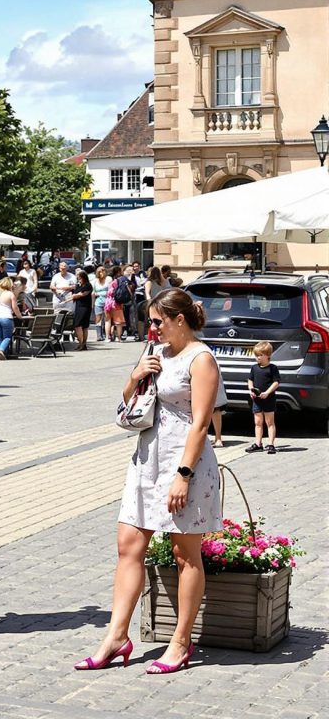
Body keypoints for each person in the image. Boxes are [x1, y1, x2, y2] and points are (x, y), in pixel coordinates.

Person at [77, 288, 220, 674]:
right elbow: (130, 402)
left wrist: (183, 476)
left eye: (157, 321)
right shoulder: (153, 353)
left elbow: (201, 424)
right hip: (146, 459)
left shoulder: (200, 359)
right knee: (128, 544)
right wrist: (135, 374)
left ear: (179, 319)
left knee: (184, 553)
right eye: (150, 321)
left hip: (183, 464)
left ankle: (180, 641)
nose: (151, 327)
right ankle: (116, 636)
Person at [247, 340, 279, 454]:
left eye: (261, 355)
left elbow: (276, 382)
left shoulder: (272, 368)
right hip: (257, 399)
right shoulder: (254, 368)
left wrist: (267, 392)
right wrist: (251, 389)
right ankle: (258, 443)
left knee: (269, 422)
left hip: (268, 399)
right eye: (256, 355)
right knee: (258, 422)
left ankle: (271, 444)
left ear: (268, 355)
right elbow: (250, 380)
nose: (258, 358)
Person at [70, 269, 94, 350]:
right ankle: (81, 343)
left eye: (80, 278)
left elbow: (82, 294)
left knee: (82, 326)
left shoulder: (88, 285)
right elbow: (75, 293)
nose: (78, 279)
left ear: (84, 277)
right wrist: (75, 295)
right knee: (78, 325)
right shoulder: (78, 285)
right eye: (78, 278)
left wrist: (76, 295)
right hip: (78, 306)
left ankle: (82, 344)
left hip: (85, 307)